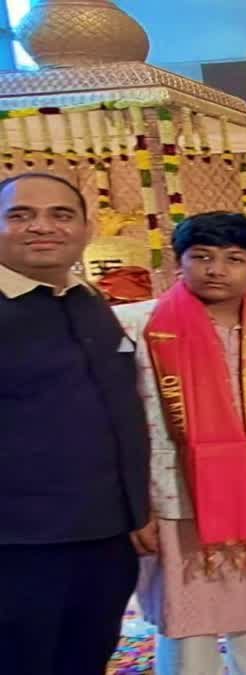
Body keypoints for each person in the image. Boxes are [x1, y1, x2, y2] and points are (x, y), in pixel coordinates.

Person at [114, 212, 246, 674]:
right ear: (178, 261)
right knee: (189, 624)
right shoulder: (133, 325)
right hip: (176, 497)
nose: (216, 270)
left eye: (234, 259)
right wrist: (132, 506)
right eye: (201, 257)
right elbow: (112, 417)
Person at [0, 173, 150, 674]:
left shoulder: (87, 301)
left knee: (84, 657)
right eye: (21, 215)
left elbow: (119, 407)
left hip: (104, 536)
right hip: (17, 545)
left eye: (61, 215)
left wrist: (137, 509)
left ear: (86, 229)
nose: (42, 227)